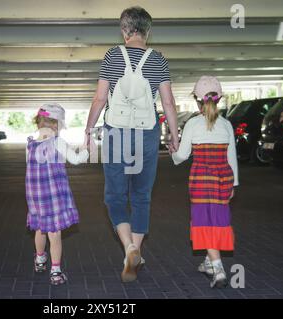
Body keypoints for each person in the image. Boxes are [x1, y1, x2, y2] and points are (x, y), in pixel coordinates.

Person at [84, 6, 179, 283]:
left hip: (117, 133)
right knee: (141, 196)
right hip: (147, 133)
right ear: (148, 31)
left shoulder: (112, 56)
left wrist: (89, 129)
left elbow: (100, 99)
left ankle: (129, 247)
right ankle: (135, 249)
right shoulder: (158, 59)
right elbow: (168, 103)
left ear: (124, 30)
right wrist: (174, 135)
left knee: (114, 196)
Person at [171, 76, 239, 289]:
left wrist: (173, 152)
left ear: (197, 100)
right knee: (217, 219)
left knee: (203, 220)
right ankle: (209, 262)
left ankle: (218, 269)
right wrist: (234, 184)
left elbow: (182, 155)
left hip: (201, 177)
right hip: (223, 178)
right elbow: (232, 157)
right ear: (218, 100)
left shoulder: (192, 123)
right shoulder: (227, 125)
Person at [26, 103, 89, 285]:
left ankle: (39, 259)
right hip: (53, 194)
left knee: (39, 228)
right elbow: (76, 160)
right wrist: (87, 149)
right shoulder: (58, 142)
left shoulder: (30, 143)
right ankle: (55, 271)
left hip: (35, 195)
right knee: (54, 234)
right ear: (56, 124)